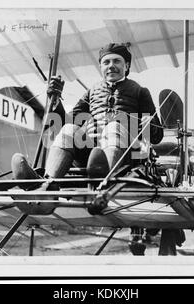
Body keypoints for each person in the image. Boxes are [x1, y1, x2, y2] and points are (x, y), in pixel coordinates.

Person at [11, 43, 163, 214]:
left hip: (127, 158)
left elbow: (156, 136)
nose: (111, 66)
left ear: (126, 65)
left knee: (113, 127)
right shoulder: (92, 93)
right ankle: (46, 187)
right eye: (106, 62)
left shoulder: (140, 91)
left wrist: (149, 122)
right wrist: (55, 102)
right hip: (92, 158)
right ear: (100, 67)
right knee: (69, 130)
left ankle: (105, 186)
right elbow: (63, 123)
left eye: (116, 61)